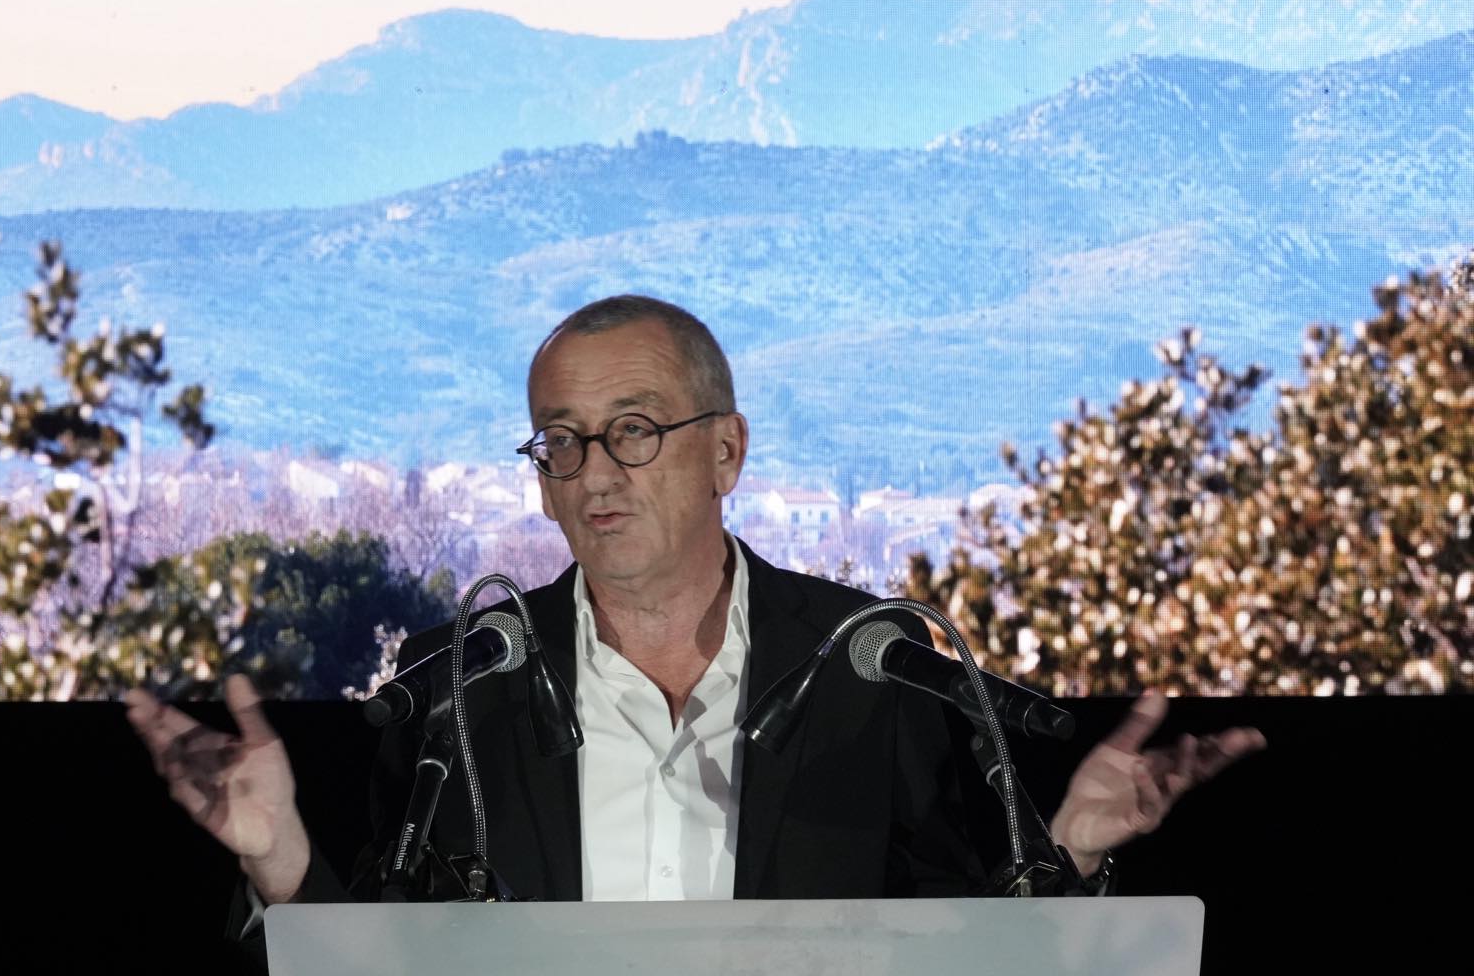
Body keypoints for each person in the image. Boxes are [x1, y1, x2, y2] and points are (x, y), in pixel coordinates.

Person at [126, 295, 1266, 923]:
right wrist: (281, 864)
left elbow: (959, 946)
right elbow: (380, 962)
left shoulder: (868, 666)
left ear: (726, 451)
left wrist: (1068, 850)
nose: (593, 472)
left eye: (632, 430)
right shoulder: (461, 683)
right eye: (560, 441)